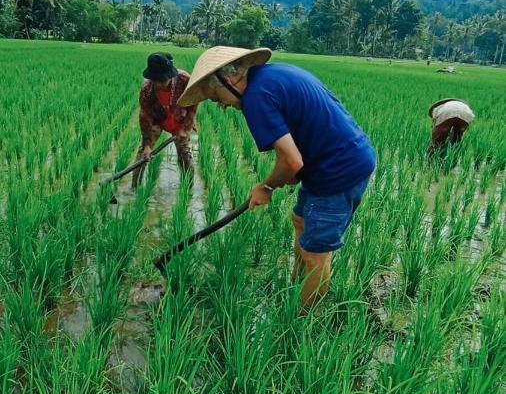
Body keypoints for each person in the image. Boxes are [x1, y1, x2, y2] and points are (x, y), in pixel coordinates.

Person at [179, 46, 376, 310]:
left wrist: (267, 186)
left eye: (217, 97)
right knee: (300, 221)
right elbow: (299, 144)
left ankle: (301, 322)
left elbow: (291, 161)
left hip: (338, 170)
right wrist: (289, 175)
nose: (222, 106)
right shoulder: (273, 76)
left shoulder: (256, 98)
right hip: (331, 162)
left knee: (315, 254)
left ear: (229, 79)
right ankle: (298, 288)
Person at [132, 52, 198, 188]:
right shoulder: (147, 90)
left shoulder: (184, 80)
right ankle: (134, 188)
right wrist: (147, 145)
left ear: (170, 76)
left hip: (179, 118)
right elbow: (144, 116)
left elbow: (193, 104)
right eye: (155, 80)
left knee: (185, 153)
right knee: (143, 154)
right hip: (158, 119)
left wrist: (185, 127)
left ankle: (188, 188)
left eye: (162, 80)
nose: (159, 84)